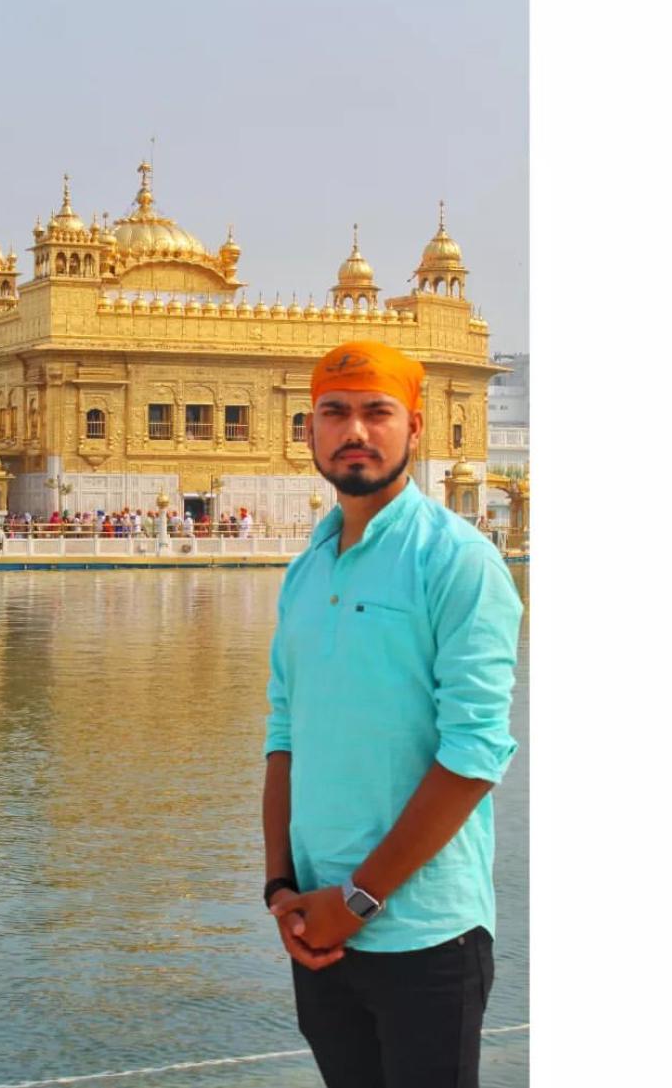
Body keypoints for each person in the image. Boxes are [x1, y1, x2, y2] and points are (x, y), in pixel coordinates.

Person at [263, 339, 522, 1088]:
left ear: (416, 427)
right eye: (334, 412)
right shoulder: (308, 569)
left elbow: (474, 754)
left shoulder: (457, 561)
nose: (355, 430)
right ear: (307, 429)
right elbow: (284, 736)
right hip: (319, 929)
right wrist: (281, 887)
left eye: (377, 412)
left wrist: (358, 898)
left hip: (426, 934)